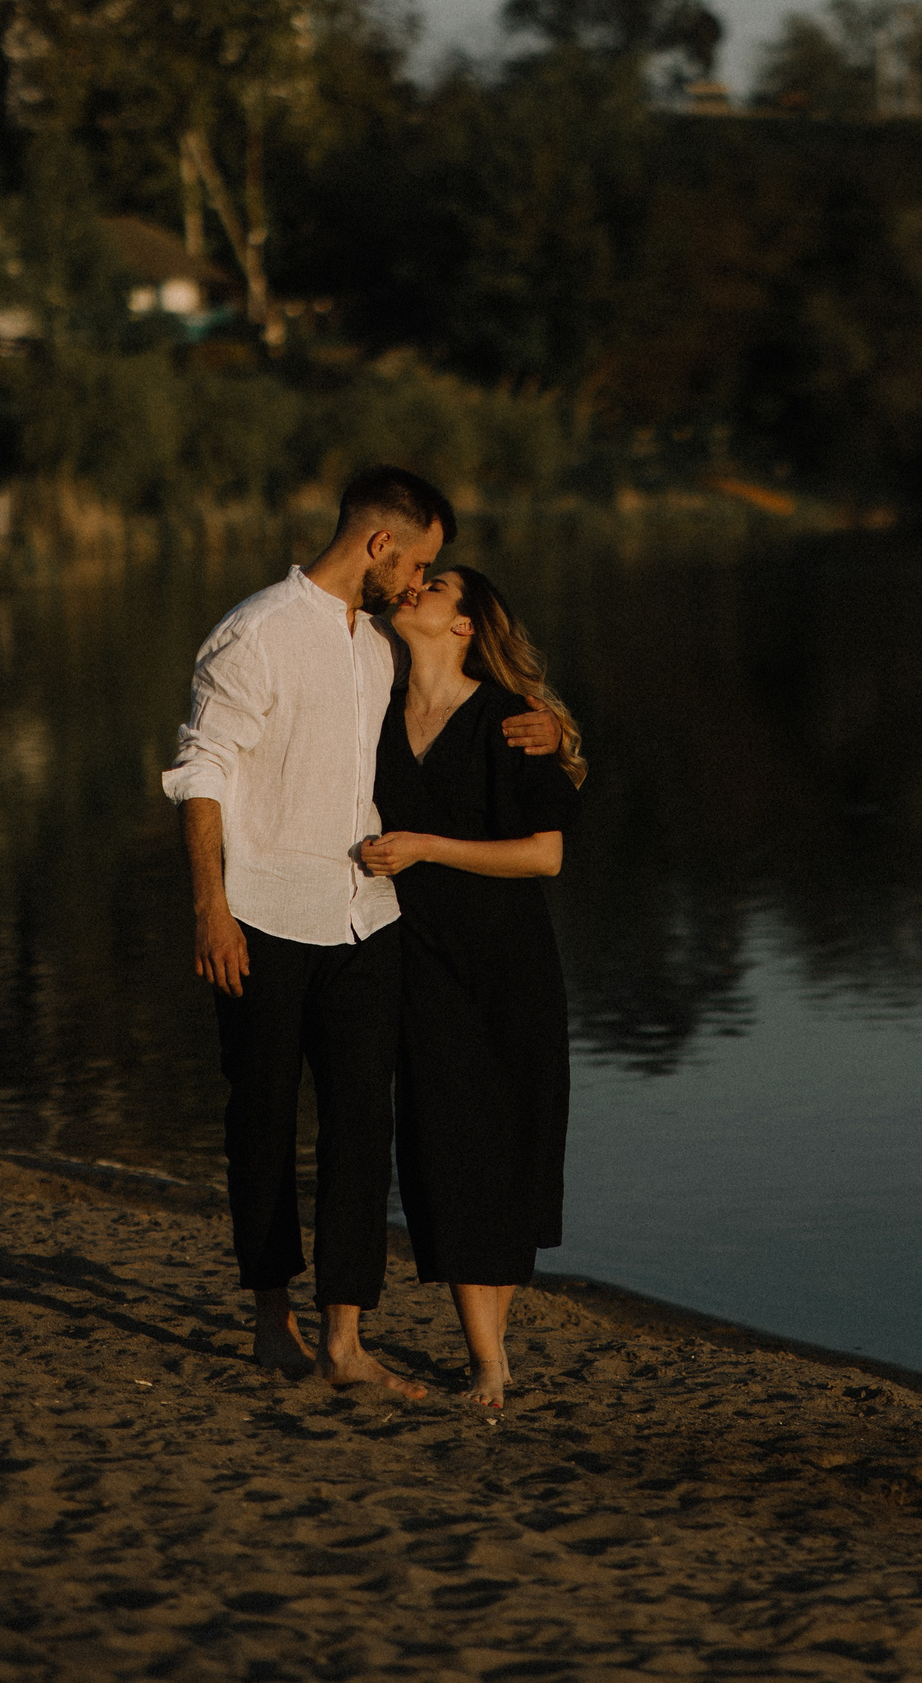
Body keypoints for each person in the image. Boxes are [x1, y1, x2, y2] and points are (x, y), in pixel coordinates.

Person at [163, 467, 555, 1394]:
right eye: (417, 563)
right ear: (380, 545)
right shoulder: (255, 631)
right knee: (261, 1120)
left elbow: (457, 701)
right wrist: (210, 908)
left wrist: (545, 724)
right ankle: (272, 1318)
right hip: (263, 914)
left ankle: (344, 1339)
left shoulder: (380, 645)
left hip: (365, 920)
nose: (418, 582)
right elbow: (201, 768)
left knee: (360, 1128)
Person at [357, 565, 584, 1408]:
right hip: (420, 964)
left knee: (510, 1153)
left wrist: (425, 846)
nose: (416, 587)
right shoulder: (374, 710)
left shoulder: (508, 721)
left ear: (465, 626)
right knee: (446, 1150)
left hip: (510, 968)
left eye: (439, 585)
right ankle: (487, 1358)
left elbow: (546, 855)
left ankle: (493, 1353)